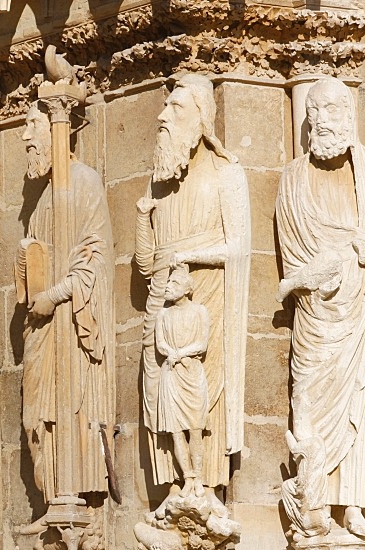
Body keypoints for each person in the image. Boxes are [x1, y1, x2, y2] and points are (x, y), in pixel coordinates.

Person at [275, 76, 365, 538]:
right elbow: (293, 253)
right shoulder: (292, 178)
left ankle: (356, 504)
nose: (322, 119)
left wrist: (362, 256)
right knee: (309, 405)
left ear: (348, 114)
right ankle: (314, 498)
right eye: (314, 111)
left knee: (362, 402)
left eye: (332, 109)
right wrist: (336, 264)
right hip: (315, 316)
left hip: (362, 309)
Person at [135, 74, 250, 492]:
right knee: (161, 400)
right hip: (161, 305)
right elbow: (146, 265)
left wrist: (187, 255)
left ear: (201, 120)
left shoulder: (226, 175)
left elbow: (238, 249)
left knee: (202, 397)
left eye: (176, 108)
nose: (163, 117)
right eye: (165, 107)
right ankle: (175, 484)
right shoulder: (157, 183)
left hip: (207, 299)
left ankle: (206, 486)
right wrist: (142, 220)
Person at [15, 102, 115, 530]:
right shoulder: (46, 198)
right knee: (36, 415)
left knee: (69, 408)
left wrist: (54, 295)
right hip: (44, 324)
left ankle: (72, 499)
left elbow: (93, 263)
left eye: (32, 127)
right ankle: (53, 495)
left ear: (60, 131)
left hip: (71, 325)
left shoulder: (83, 183)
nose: (23, 138)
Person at [155, 265, 211, 498]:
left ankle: (198, 477)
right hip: (171, 375)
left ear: (187, 288)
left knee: (195, 428)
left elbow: (202, 343)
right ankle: (187, 477)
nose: (168, 287)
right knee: (176, 431)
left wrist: (181, 353)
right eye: (168, 283)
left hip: (192, 373)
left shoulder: (199, 311)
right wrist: (172, 353)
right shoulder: (163, 314)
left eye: (174, 283)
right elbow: (160, 344)